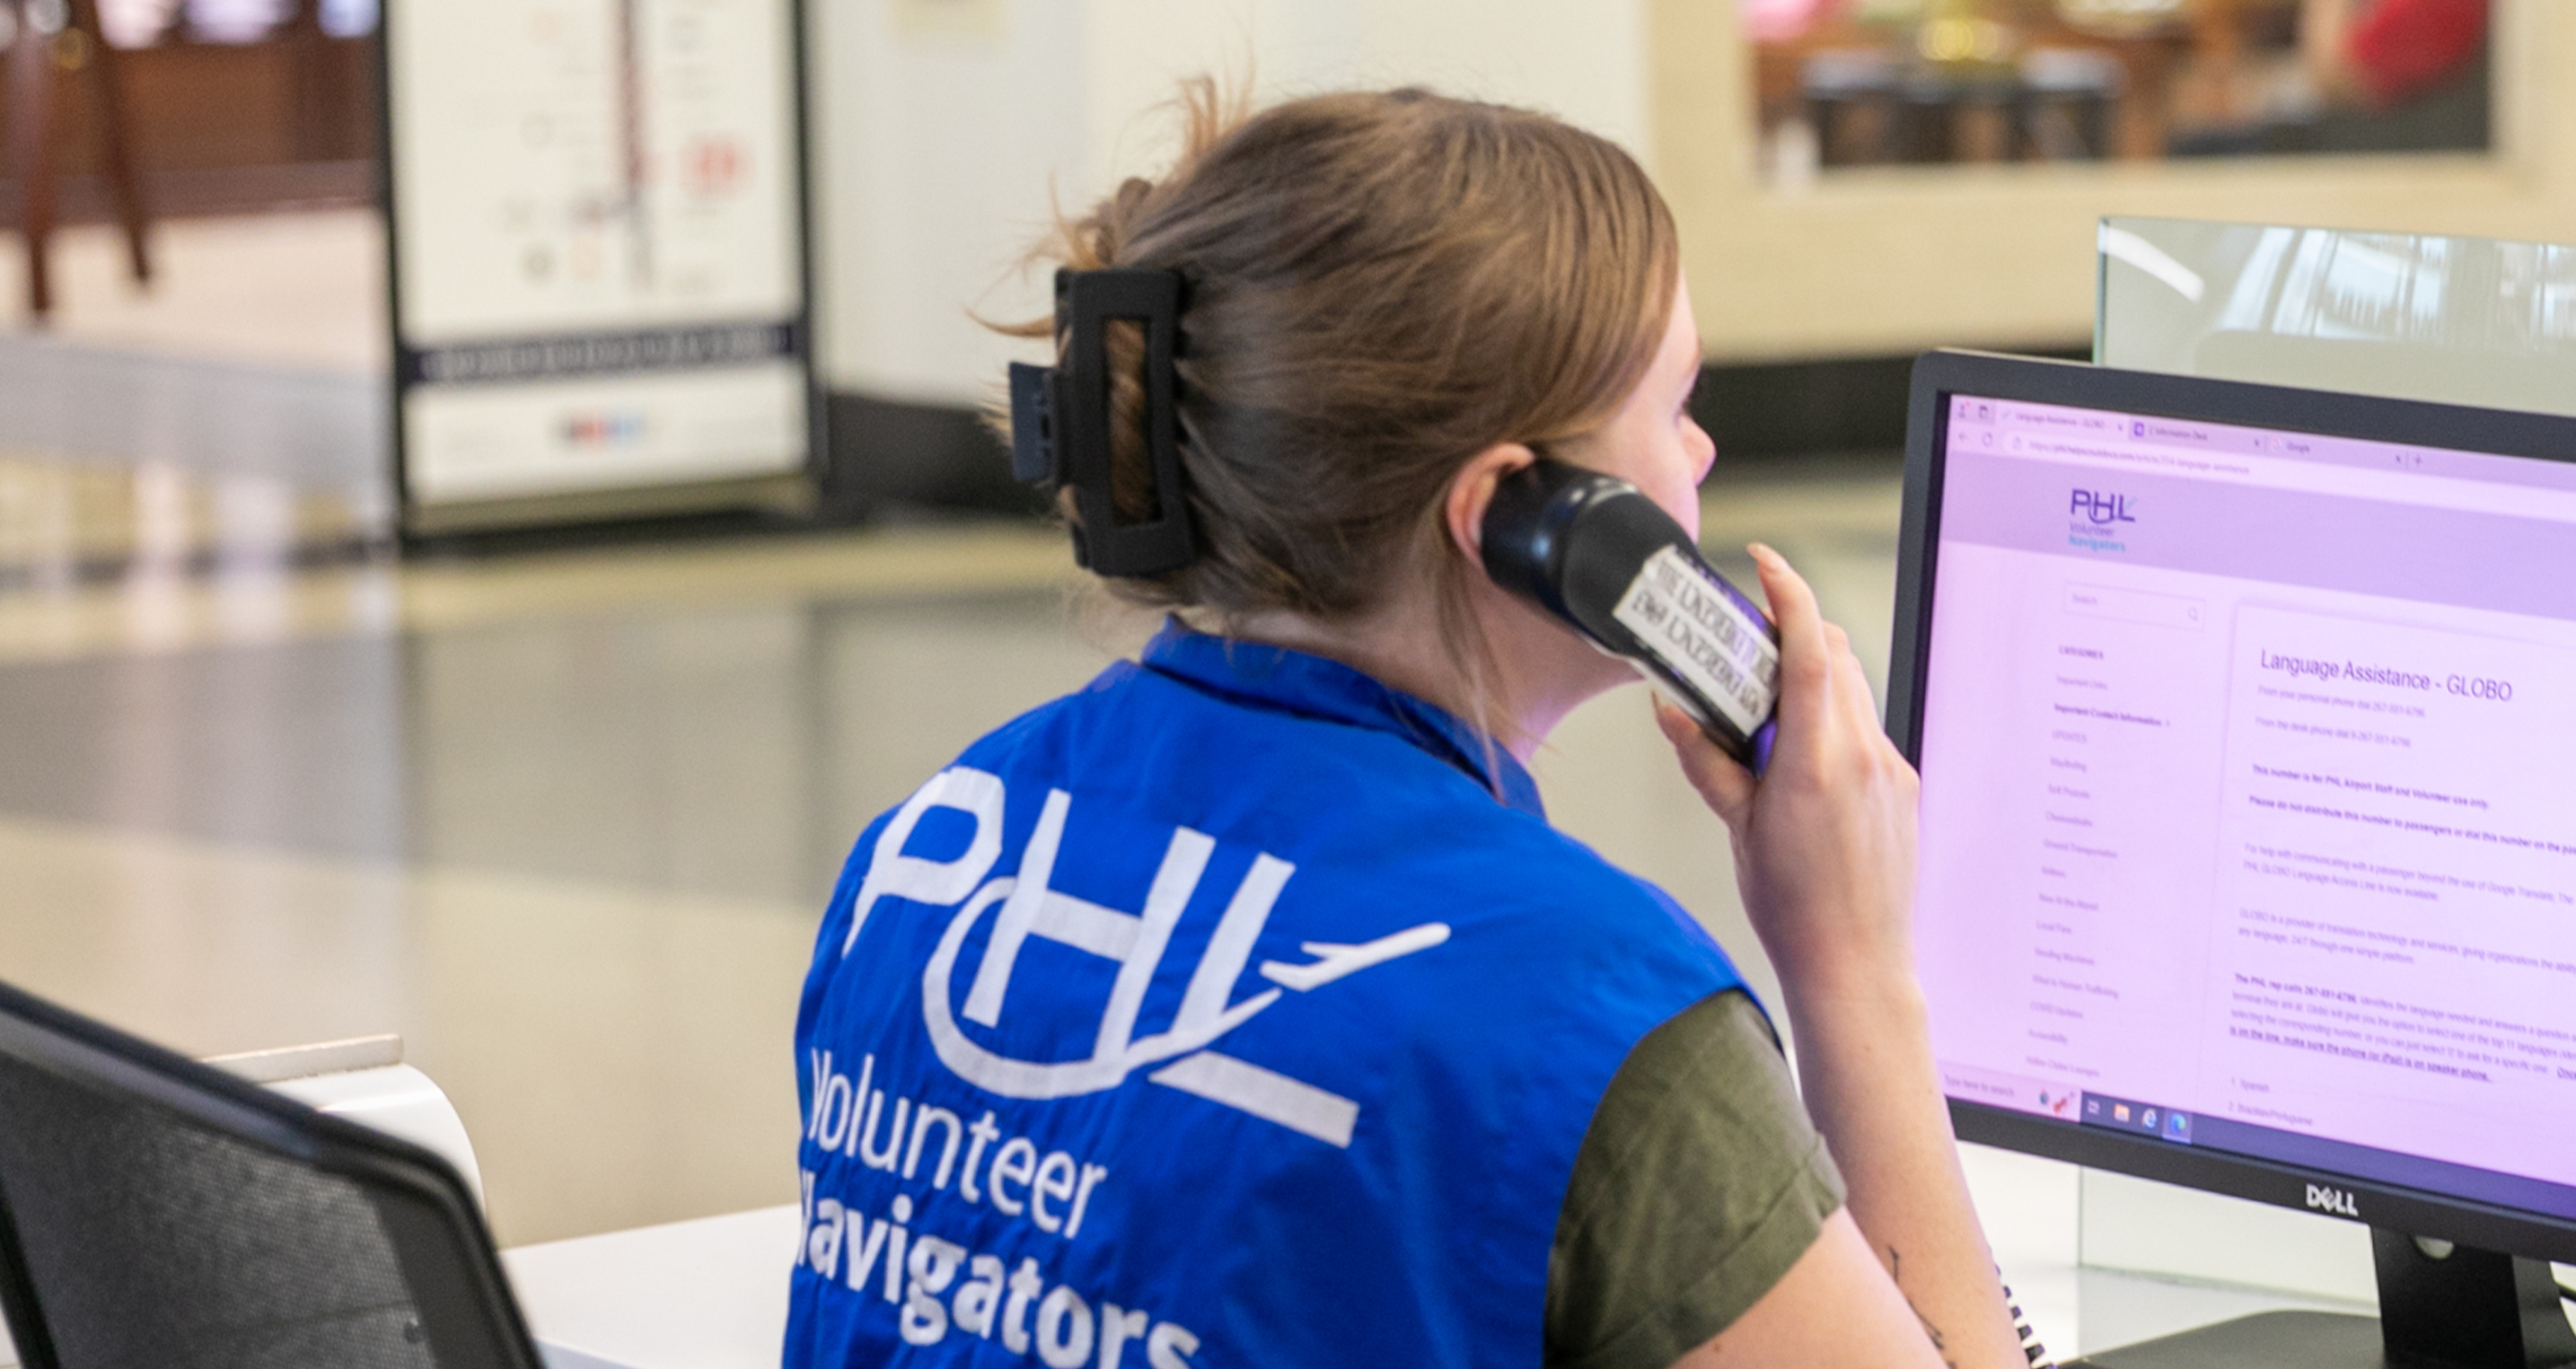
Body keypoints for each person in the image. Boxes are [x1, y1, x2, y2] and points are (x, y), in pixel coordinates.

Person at [780, 85, 2022, 1369]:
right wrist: (1852, 971)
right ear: (1527, 514)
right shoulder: (1585, 1008)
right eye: (1670, 405)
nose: (1699, 453)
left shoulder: (933, 845)